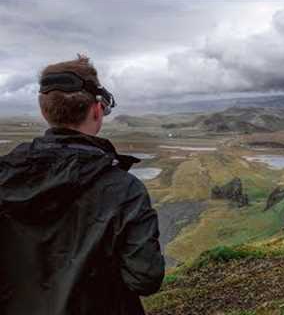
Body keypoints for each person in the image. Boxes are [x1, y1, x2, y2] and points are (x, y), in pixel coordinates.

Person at [0, 55, 165, 315]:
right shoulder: (125, 190)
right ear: (97, 110)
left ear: (44, 111)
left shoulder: (4, 176)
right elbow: (146, 278)